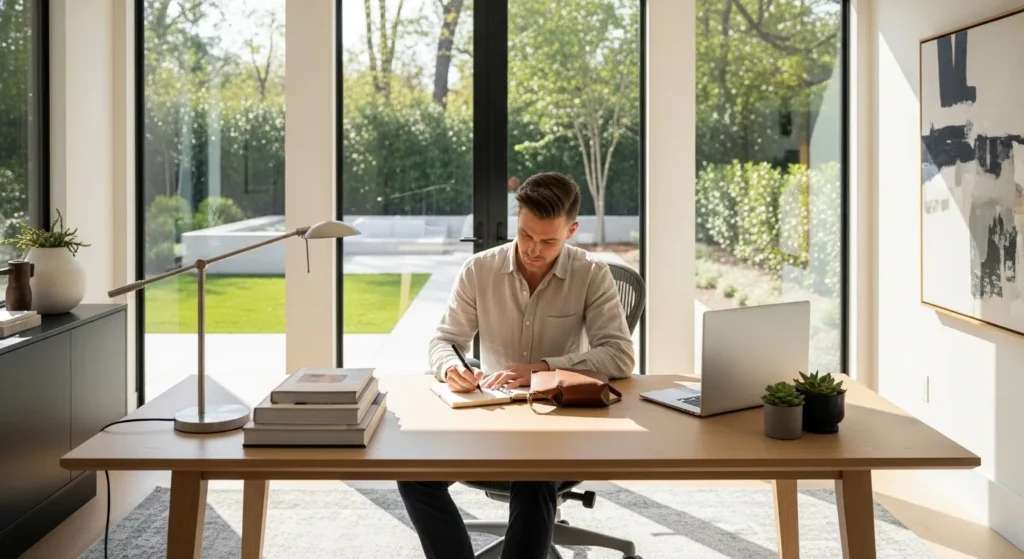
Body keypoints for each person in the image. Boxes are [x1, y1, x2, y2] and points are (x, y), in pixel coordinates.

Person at [397, 171, 635, 559]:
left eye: (548, 240)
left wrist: (543, 367)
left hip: (562, 424)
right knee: (414, 475)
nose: (532, 249)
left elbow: (620, 355)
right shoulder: (479, 270)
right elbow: (445, 340)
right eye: (525, 234)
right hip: (491, 420)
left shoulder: (592, 274)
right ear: (517, 219)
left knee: (535, 473)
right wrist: (450, 368)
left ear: (572, 230)